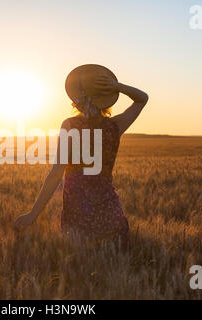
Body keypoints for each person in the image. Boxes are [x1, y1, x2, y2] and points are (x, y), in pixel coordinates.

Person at [14, 64, 148, 244]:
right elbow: (142, 99)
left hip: (78, 215)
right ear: (107, 100)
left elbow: (56, 174)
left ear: (77, 99)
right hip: (110, 214)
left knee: (78, 257)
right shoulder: (115, 126)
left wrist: (33, 214)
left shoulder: (70, 126)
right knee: (113, 254)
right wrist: (118, 87)